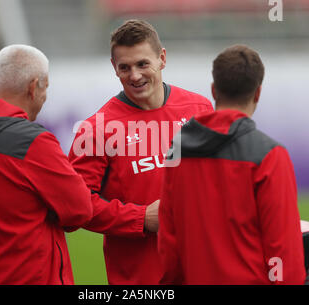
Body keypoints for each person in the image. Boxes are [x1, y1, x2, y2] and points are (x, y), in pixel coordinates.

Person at [68, 20, 213, 284]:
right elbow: (76, 205)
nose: (134, 75)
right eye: (125, 67)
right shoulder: (96, 130)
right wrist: (141, 218)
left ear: (162, 59)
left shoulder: (200, 109)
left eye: (142, 64)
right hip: (140, 279)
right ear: (114, 68)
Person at [158, 44, 306, 284]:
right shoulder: (270, 155)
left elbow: (169, 243)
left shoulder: (177, 151)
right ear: (257, 93)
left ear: (214, 90)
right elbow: (283, 253)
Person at [0, 44, 93, 285]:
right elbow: (80, 210)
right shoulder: (32, 141)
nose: (45, 98)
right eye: (46, 88)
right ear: (34, 87)